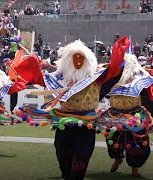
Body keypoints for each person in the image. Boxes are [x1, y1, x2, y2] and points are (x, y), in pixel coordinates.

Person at [15, 37, 131, 179]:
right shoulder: (60, 79)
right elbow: (39, 78)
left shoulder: (96, 78)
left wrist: (119, 52)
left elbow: (114, 71)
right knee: (62, 157)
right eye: (75, 57)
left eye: (81, 57)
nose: (78, 61)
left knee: (80, 161)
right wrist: (33, 64)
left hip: (86, 126)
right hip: (64, 124)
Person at [100, 54, 153, 176]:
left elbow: (151, 89)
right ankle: (117, 159)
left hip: (135, 115)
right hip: (115, 115)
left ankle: (135, 168)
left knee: (138, 143)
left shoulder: (140, 79)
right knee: (113, 140)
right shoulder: (113, 79)